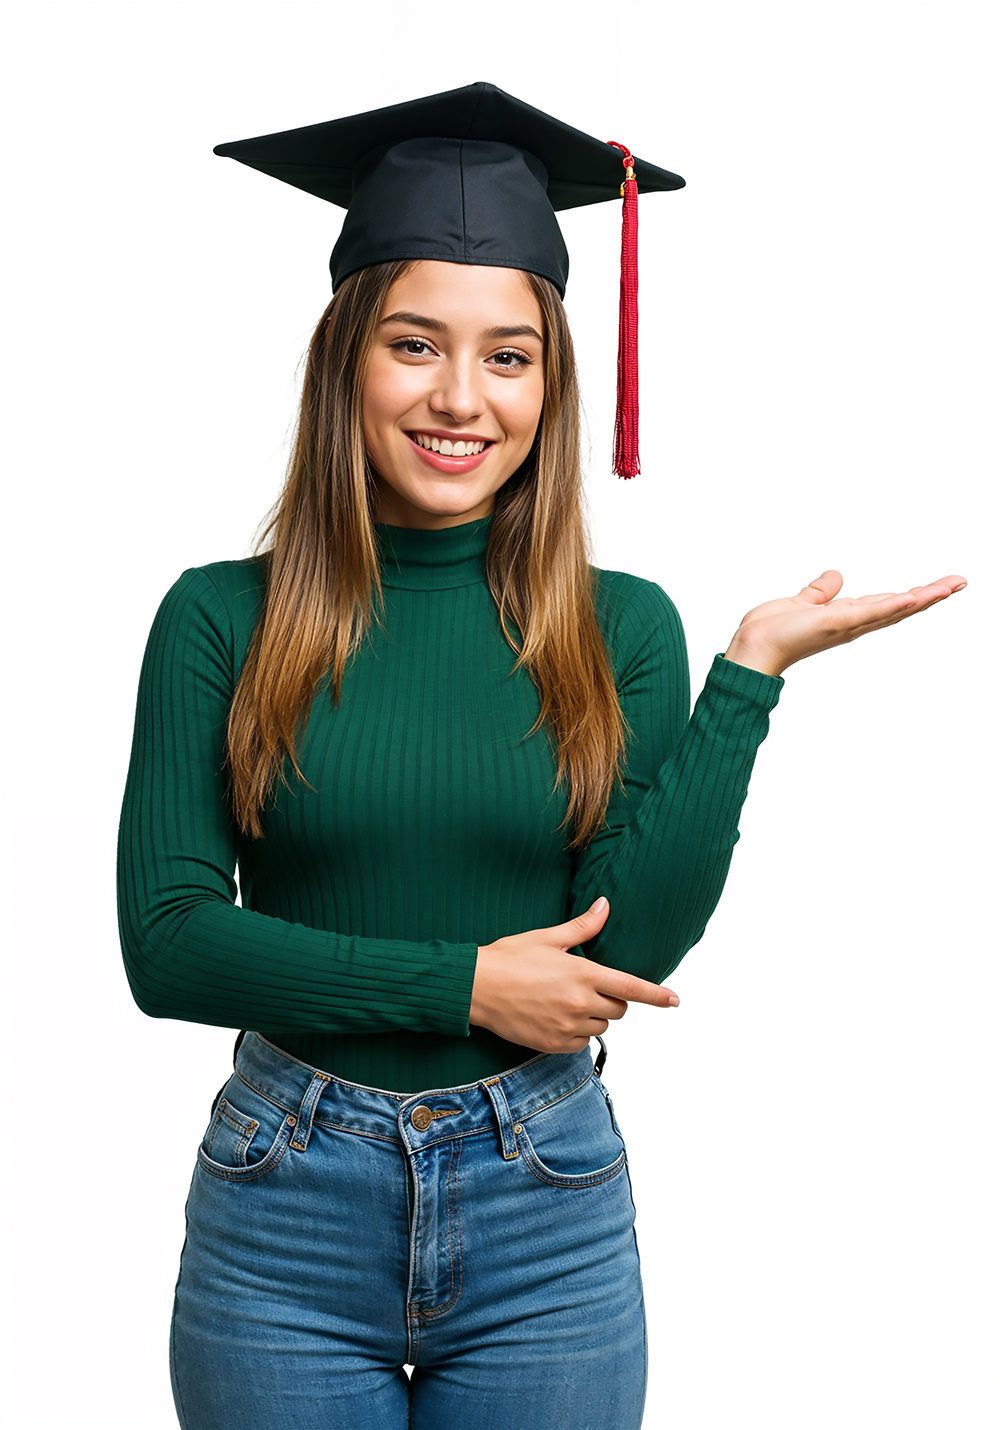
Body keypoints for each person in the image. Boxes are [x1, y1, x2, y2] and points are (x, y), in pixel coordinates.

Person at [116, 82, 966, 1430]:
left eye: (509, 355)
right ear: (346, 357)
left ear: (553, 381)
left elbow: (633, 943)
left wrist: (747, 674)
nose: (461, 397)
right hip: (284, 1211)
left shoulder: (620, 626)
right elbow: (168, 945)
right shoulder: (219, 617)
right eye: (415, 343)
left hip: (545, 1210)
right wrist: (464, 982)